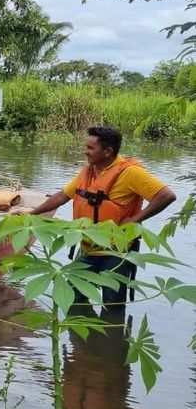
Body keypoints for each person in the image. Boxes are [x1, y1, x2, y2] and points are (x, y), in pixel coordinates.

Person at [18, 126, 175, 305]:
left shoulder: (131, 173)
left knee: (112, 304)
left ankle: (111, 332)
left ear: (108, 151)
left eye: (90, 148)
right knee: (73, 298)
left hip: (116, 252)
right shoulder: (89, 171)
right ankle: (79, 332)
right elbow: (62, 196)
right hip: (87, 246)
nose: (85, 152)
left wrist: (134, 220)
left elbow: (166, 195)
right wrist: (32, 214)